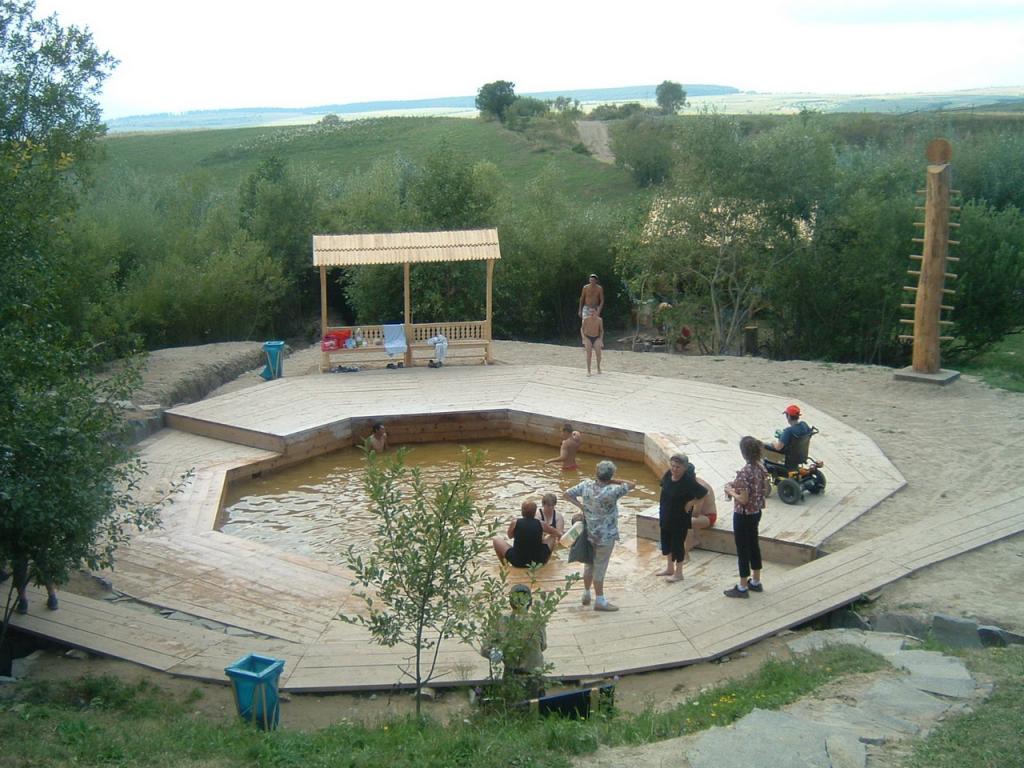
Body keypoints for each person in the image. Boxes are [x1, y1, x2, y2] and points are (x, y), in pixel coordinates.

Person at [564, 460, 635, 612]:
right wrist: (613, 480)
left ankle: (586, 593)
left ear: (596, 472)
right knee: (600, 567)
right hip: (605, 536)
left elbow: (567, 494)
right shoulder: (612, 491)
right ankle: (600, 600)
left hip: (589, 533)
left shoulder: (586, 485)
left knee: (589, 564)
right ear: (610, 475)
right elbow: (631, 484)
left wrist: (581, 506)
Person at [480, 584, 547, 698]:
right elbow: (543, 646)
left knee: (517, 705)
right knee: (532, 706)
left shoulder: (502, 620)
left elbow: (485, 648)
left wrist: (495, 652)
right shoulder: (537, 621)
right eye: (517, 597)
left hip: (520, 675)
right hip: (526, 675)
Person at [723, 436, 769, 598]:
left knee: (743, 549)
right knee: (754, 545)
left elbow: (743, 499)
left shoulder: (744, 472)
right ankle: (755, 581)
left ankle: (742, 586)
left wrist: (730, 491)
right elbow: (765, 489)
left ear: (743, 453)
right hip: (756, 512)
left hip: (743, 515)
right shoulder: (760, 468)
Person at [655, 454, 708, 583]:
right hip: (666, 514)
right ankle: (669, 568)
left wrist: (691, 503)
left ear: (684, 468)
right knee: (666, 542)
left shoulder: (688, 481)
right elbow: (663, 487)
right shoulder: (668, 474)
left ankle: (679, 573)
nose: (674, 469)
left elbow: (703, 493)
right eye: (672, 466)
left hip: (679, 519)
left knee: (677, 545)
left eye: (677, 467)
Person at [493, 500, 559, 567]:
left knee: (496, 540)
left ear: (522, 511)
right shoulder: (541, 523)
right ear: (535, 512)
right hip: (537, 561)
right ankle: (545, 562)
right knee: (552, 536)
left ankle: (505, 565)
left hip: (518, 561)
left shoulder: (515, 523)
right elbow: (556, 533)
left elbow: (510, 536)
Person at [683, 476, 717, 561]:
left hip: (709, 516)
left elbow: (696, 513)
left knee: (686, 522)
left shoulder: (701, 488)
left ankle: (690, 545)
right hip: (700, 516)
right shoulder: (692, 483)